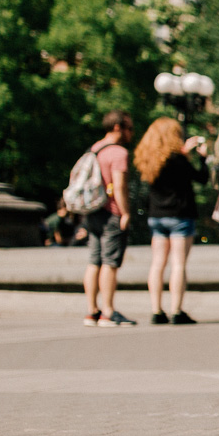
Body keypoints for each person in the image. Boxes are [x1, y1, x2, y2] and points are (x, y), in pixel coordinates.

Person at [134, 117, 205, 324]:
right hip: (180, 216)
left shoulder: (148, 159)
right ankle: (176, 310)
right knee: (178, 264)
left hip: (156, 216)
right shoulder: (178, 160)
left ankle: (156, 310)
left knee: (157, 264)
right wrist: (200, 157)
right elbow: (200, 178)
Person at [77, 111, 137, 327]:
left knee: (94, 261)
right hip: (111, 212)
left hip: (92, 211)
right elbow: (119, 185)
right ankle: (108, 312)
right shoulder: (118, 152)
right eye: (129, 128)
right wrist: (125, 212)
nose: (132, 133)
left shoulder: (94, 149)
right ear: (118, 127)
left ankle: (92, 311)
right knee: (110, 263)